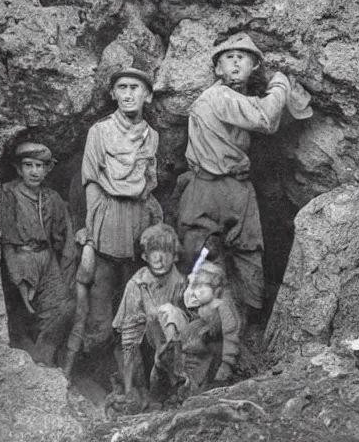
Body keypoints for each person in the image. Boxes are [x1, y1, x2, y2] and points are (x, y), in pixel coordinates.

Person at [177, 32, 312, 328]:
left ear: (253, 67)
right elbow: (265, 118)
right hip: (206, 187)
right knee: (196, 254)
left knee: (249, 255)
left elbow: (273, 120)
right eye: (229, 57)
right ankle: (195, 334)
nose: (236, 62)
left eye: (243, 57)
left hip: (238, 188)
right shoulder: (219, 96)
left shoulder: (239, 101)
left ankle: (244, 332)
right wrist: (279, 84)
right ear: (217, 69)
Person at [66, 67, 162, 377]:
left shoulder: (153, 136)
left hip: (138, 225)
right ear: (113, 94)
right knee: (99, 309)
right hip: (107, 221)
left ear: (147, 95)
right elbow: (91, 183)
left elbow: (150, 186)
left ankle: (130, 376)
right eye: (122, 87)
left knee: (135, 305)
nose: (129, 93)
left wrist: (153, 229)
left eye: (136, 87)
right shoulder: (100, 131)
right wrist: (92, 240)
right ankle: (86, 372)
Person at [0, 142, 77, 367]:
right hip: (19, 258)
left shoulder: (51, 198)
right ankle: (25, 358)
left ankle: (44, 356)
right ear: (18, 169)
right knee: (22, 309)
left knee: (65, 307)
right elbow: (7, 240)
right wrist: (19, 277)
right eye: (28, 165)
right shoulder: (8, 194)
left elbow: (63, 237)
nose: (34, 172)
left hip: (47, 258)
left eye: (40, 166)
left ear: (47, 169)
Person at [111, 224, 188, 406]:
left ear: (175, 255)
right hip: (141, 345)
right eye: (154, 251)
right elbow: (129, 338)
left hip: (170, 344)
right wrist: (130, 388)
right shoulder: (136, 284)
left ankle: (178, 385)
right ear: (145, 255)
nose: (159, 258)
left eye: (166, 251)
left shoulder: (180, 282)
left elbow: (185, 322)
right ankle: (136, 390)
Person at [180, 261, 241, 393]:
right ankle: (190, 382)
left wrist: (227, 364)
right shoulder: (203, 307)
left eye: (202, 286)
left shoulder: (222, 306)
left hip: (217, 346)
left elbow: (230, 333)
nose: (197, 292)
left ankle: (205, 384)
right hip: (203, 342)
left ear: (216, 289)